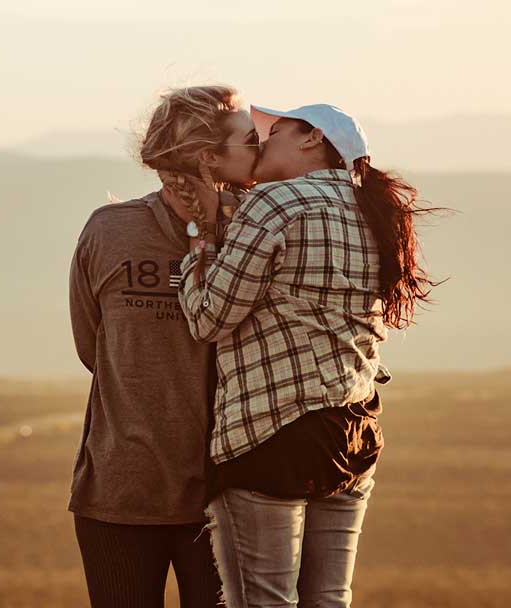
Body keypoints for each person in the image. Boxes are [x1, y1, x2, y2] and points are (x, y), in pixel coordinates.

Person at [166, 103, 443, 607]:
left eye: (274, 130)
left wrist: (195, 254)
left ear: (313, 137)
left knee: (265, 601)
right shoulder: (371, 210)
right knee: (330, 600)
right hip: (354, 430)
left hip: (272, 431)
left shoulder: (275, 203)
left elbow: (210, 318)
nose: (262, 140)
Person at [67, 85, 261, 608]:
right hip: (120, 494)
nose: (262, 147)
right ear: (208, 156)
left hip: (229, 495)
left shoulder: (258, 230)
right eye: (250, 139)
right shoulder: (111, 230)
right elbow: (93, 349)